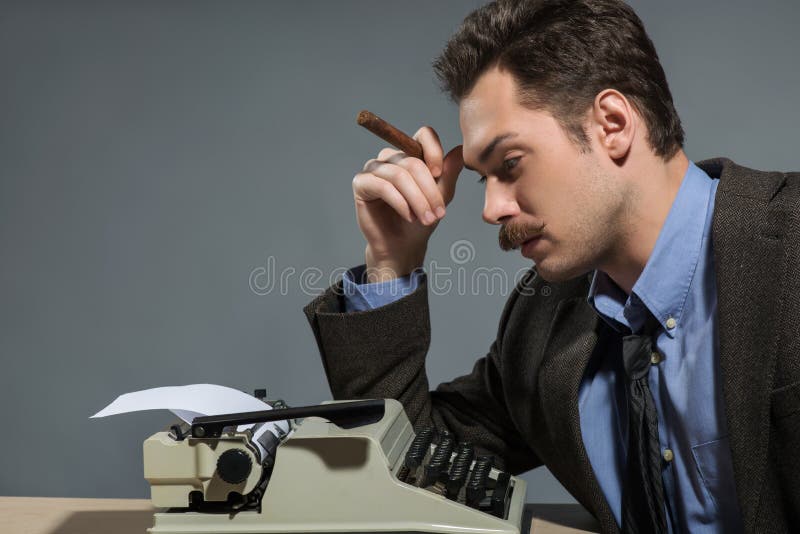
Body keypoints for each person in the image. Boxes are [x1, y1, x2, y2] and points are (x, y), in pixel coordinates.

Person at [303, 1, 799, 532]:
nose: (491, 209)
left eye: (510, 164)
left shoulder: (788, 249)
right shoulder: (540, 322)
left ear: (612, 124)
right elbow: (413, 463)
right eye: (482, 178)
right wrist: (390, 262)